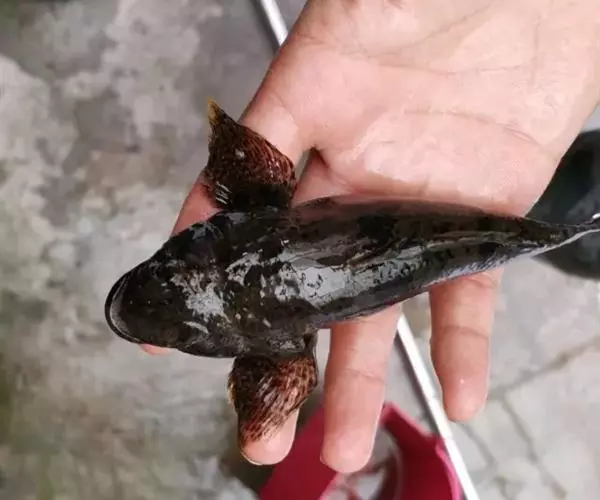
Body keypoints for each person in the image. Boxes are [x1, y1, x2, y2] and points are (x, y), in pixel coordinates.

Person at [143, 0, 600, 473]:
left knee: (556, 217)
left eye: (167, 267)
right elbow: (247, 163)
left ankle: (573, 224)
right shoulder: (255, 208)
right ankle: (572, 224)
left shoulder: (281, 344)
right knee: (553, 217)